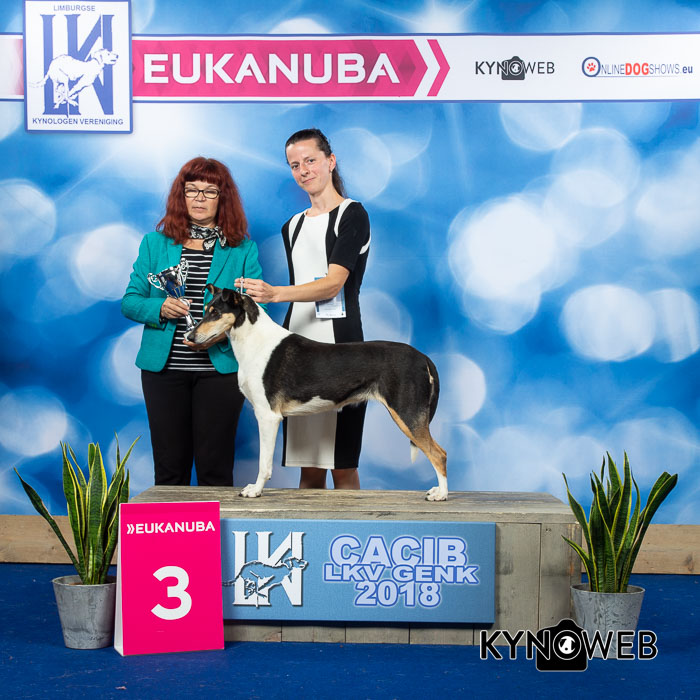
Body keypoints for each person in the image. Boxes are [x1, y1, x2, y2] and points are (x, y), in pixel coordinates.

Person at [237, 128, 371, 490]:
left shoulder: (353, 214)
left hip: (341, 347)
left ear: (331, 161)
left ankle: (351, 529)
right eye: (295, 165)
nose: (304, 170)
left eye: (310, 160)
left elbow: (333, 283)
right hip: (294, 349)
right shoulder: (292, 226)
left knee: (342, 465)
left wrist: (274, 293)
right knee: (307, 466)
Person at [122, 157, 263, 486]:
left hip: (220, 371)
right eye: (192, 190)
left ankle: (215, 524)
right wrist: (160, 307)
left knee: (215, 469)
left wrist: (222, 334)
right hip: (163, 373)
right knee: (170, 470)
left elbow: (256, 309)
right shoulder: (154, 244)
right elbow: (130, 301)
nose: (199, 198)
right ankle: (175, 524)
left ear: (223, 198)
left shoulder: (242, 250)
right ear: (181, 195)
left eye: (210, 191)